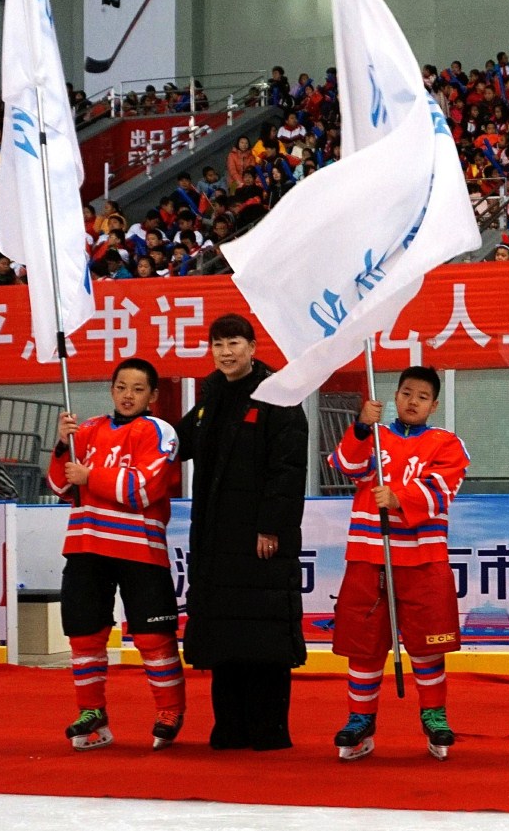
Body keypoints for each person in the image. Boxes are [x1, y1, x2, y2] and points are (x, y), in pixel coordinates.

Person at [177, 315, 310, 752]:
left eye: (234, 343)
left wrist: (271, 525)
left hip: (260, 538)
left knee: (264, 636)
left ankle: (268, 731)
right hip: (216, 538)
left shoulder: (279, 393)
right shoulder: (211, 392)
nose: (225, 352)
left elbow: (288, 470)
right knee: (224, 637)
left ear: (253, 346)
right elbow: (176, 443)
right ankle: (229, 729)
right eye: (217, 344)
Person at [327, 366, 471, 762]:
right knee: (365, 646)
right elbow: (346, 466)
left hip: (422, 559)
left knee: (428, 645)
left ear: (434, 404)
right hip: (369, 555)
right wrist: (359, 427)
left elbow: (443, 490)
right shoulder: (374, 435)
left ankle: (434, 715)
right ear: (395, 395)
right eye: (406, 393)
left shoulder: (447, 443)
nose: (412, 401)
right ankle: (360, 719)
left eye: (422, 396)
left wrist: (400, 497)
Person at [48, 358, 185, 752]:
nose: (128, 395)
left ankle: (169, 710)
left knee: (152, 636)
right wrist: (61, 445)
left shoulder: (159, 431)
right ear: (111, 389)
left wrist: (90, 477)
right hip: (86, 546)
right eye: (121, 387)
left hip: (140, 549)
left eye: (138, 389)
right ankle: (91, 711)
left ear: (153, 395)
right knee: (85, 634)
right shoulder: (86, 429)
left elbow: (143, 489)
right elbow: (59, 486)